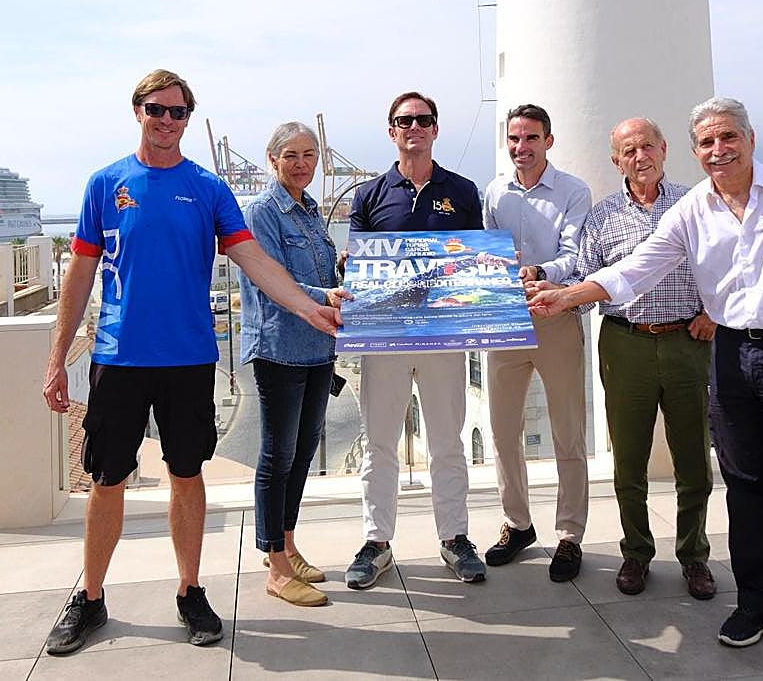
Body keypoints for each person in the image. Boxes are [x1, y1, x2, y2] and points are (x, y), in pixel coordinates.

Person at [528, 97, 763, 665]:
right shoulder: (692, 209)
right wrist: (568, 294)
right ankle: (761, 602)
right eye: (708, 143)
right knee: (746, 485)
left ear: (750, 138)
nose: (719, 151)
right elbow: (637, 267)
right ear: (695, 152)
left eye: (728, 138)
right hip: (730, 354)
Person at [41, 70, 340, 654]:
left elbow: (254, 260)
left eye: (179, 112)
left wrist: (308, 306)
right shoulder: (106, 183)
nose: (168, 121)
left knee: (187, 475)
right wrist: (57, 359)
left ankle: (190, 590)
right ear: (138, 111)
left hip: (188, 359)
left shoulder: (208, 188)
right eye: (158, 109)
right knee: (107, 480)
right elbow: (78, 276)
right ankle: (92, 598)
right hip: (118, 356)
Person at [561, 117, 716, 599]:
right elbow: (587, 282)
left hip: (687, 341)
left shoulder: (698, 205)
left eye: (647, 146)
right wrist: (552, 297)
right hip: (624, 343)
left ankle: (694, 556)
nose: (640, 157)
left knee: (694, 458)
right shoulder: (603, 217)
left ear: (665, 149)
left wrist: (714, 311)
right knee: (629, 459)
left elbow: (727, 266)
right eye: (629, 151)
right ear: (616, 161)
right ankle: (636, 552)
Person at [343, 90, 487, 590]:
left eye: (424, 120)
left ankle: (455, 538)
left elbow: (473, 261)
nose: (414, 127)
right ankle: (376, 542)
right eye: (405, 120)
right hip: (385, 340)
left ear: (435, 129)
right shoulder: (368, 196)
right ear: (391, 131)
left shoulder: (464, 191)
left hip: (444, 339)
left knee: (447, 442)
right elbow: (357, 263)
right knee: (379, 443)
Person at [239, 121, 351, 608]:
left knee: (303, 453)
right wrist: (324, 293)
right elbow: (273, 279)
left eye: (309, 155)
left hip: (319, 348)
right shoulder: (263, 211)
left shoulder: (310, 210)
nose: (302, 163)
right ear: (272, 159)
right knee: (277, 457)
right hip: (280, 347)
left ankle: (286, 544)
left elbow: (320, 274)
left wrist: (346, 272)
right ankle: (276, 566)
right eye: (291, 155)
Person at [480, 104, 592, 581]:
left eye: (530, 138)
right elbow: (484, 249)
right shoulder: (493, 191)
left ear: (549, 140)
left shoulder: (573, 191)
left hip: (555, 315)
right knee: (503, 431)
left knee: (568, 430)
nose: (520, 147)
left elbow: (575, 252)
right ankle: (517, 524)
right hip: (505, 318)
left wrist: (541, 273)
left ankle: (569, 534)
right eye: (513, 139)